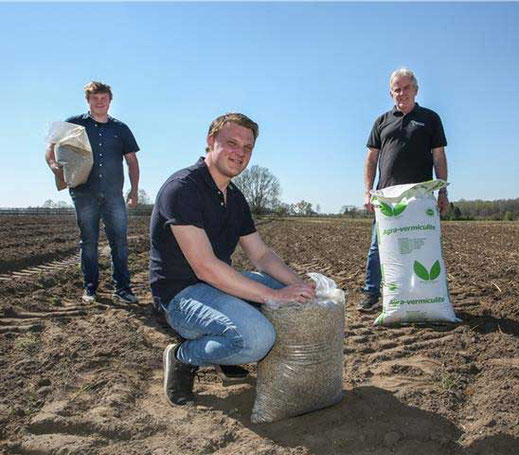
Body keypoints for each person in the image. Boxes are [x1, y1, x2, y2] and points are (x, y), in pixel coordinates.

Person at [149, 113, 315, 406]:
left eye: (247, 147)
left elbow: (261, 255)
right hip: (180, 296)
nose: (239, 153)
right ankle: (183, 357)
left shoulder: (235, 197)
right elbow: (205, 267)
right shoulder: (182, 189)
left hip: (215, 285)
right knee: (256, 338)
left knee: (287, 296)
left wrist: (300, 285)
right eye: (231, 143)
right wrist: (273, 295)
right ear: (210, 141)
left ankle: (225, 351)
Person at [358, 68, 449, 312]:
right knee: (378, 246)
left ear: (416, 90)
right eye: (397, 89)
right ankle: (370, 293)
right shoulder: (381, 122)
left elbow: (439, 157)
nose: (402, 93)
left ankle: (420, 295)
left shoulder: (430, 119)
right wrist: (368, 191)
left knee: (420, 243)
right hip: (387, 197)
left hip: (419, 196)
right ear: (391, 93)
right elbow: (371, 159)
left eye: (406, 87)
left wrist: (443, 191)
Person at [45, 81, 140, 304]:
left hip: (113, 195)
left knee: (119, 242)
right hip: (83, 193)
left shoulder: (120, 129)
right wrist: (53, 166)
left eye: (103, 98)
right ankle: (90, 288)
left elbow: (132, 161)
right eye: (95, 98)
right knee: (88, 242)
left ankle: (123, 290)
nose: (100, 102)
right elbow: (50, 147)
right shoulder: (73, 124)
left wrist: (134, 190)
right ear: (88, 100)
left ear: (109, 101)